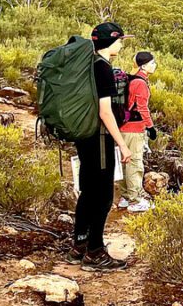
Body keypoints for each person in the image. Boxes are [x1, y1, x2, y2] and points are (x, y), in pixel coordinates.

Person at [66, 21, 133, 271]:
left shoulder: (88, 65)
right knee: (103, 196)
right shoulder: (103, 68)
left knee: (88, 191)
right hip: (100, 139)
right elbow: (106, 112)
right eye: (120, 40)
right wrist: (123, 145)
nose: (121, 44)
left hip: (85, 137)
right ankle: (95, 252)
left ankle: (79, 245)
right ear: (110, 42)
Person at [118, 51, 157, 212]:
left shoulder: (132, 79)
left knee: (125, 163)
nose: (155, 65)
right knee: (134, 162)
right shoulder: (140, 83)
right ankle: (134, 201)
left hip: (123, 128)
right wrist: (150, 127)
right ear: (144, 65)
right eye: (152, 63)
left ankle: (125, 197)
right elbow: (142, 108)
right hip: (134, 130)